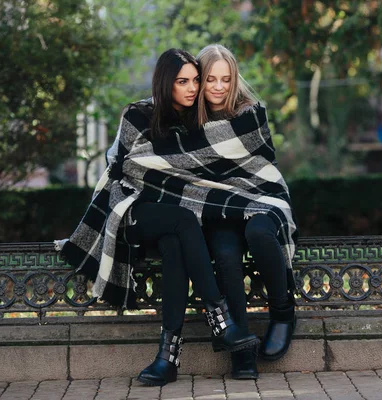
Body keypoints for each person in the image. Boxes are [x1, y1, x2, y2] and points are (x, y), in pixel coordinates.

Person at [55, 48, 259, 388]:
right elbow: (126, 168)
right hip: (132, 211)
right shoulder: (138, 115)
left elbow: (196, 179)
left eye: (195, 81)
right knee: (181, 221)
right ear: (166, 83)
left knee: (175, 241)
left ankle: (168, 359)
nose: (192, 89)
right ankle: (221, 320)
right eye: (182, 82)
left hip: (172, 219)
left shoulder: (196, 124)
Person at [196, 44, 298, 379]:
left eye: (226, 78)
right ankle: (241, 349)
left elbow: (263, 168)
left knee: (258, 232)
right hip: (218, 208)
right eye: (211, 78)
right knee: (225, 254)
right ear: (200, 80)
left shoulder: (251, 114)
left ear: (234, 78)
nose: (219, 86)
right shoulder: (187, 122)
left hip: (260, 198)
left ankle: (282, 313)